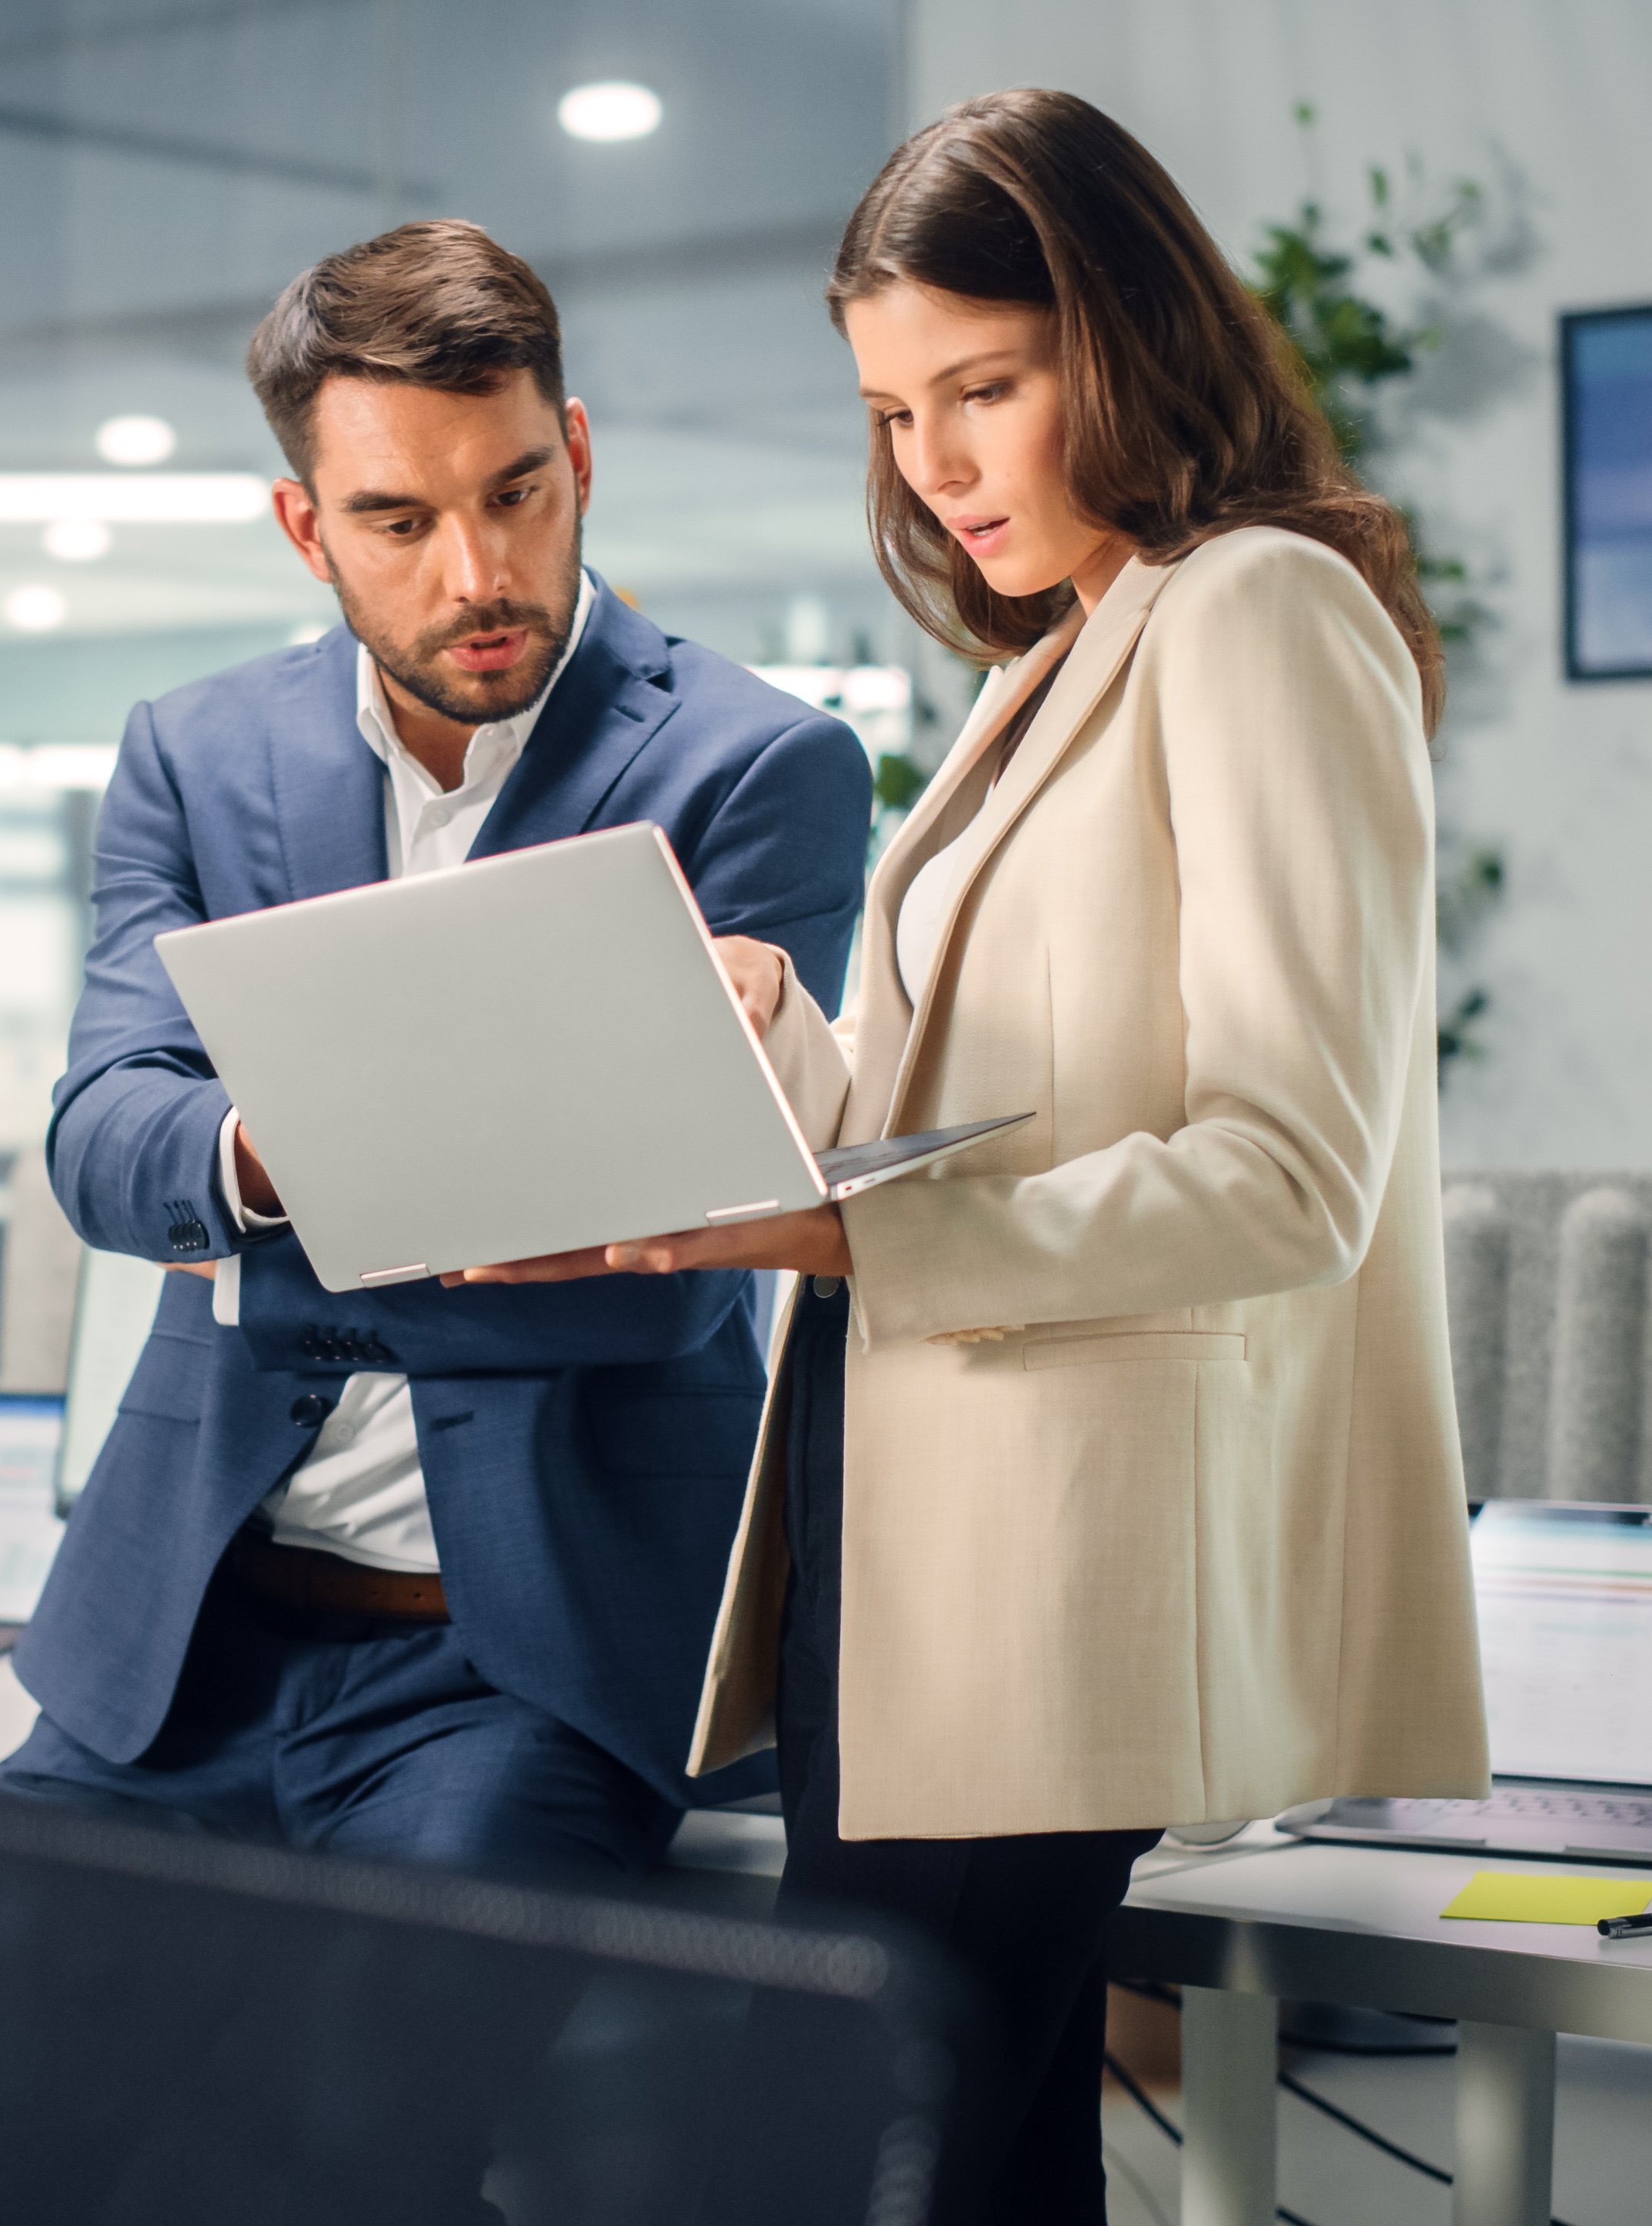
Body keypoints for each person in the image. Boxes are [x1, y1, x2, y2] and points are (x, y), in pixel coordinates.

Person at [467, 90, 1491, 2222]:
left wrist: (839, 1239)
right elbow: (1011, 1108)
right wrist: (783, 1050)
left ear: (1119, 339)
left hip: (1054, 1561)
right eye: (890, 408)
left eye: (983, 389)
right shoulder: (1057, 656)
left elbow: (1293, 1180)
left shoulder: (1257, 615)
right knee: (982, 2168)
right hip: (909, 1521)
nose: (932, 460)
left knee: (846, 2154)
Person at [1, 220, 874, 1888]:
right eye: (399, 519)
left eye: (518, 491)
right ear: (304, 527)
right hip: (181, 1644)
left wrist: (255, 1250)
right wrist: (290, 1156)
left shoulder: (754, 768)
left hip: (522, 1672)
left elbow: (664, 1274)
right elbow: (105, 1147)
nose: (478, 571)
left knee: (367, 2132)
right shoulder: (194, 757)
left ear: (580, 454)